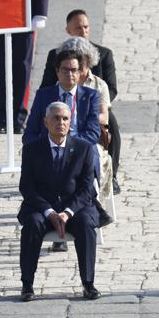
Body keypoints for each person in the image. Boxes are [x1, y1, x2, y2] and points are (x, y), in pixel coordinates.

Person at [18, 102, 100, 301]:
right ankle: (27, 284)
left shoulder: (84, 149)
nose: (60, 123)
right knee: (33, 223)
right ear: (45, 122)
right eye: (55, 118)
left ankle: (88, 283)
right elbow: (27, 187)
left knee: (86, 223)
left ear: (70, 122)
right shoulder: (32, 150)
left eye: (65, 119)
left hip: (75, 208)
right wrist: (49, 212)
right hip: (43, 208)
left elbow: (87, 188)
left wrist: (68, 212)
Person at [40, 9, 122, 194]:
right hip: (64, 105)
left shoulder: (103, 54)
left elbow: (111, 87)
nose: (83, 31)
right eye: (78, 28)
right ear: (68, 30)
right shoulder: (56, 55)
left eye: (86, 27)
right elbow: (45, 88)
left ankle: (112, 175)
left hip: (97, 105)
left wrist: (96, 104)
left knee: (112, 124)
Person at [0, 0, 48, 135]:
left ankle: (18, 119)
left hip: (24, 11)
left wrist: (40, 11)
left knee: (23, 67)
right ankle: (2, 119)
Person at [57, 36, 113, 202]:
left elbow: (104, 117)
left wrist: (85, 118)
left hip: (88, 133)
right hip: (63, 135)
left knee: (90, 151)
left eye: (79, 63)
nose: (74, 69)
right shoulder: (62, 84)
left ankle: (90, 197)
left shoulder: (98, 86)